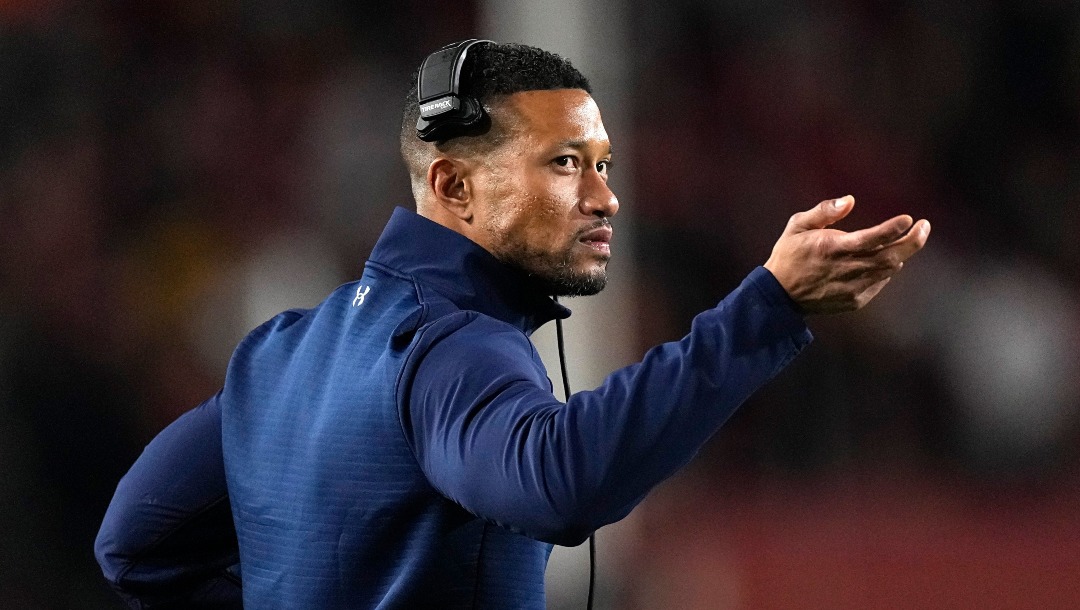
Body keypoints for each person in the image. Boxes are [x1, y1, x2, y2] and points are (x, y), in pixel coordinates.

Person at [94, 40, 930, 609]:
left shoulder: (278, 355)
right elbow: (558, 481)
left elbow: (134, 544)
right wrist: (766, 309)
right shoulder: (454, 347)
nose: (604, 197)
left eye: (602, 165)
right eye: (565, 163)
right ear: (455, 187)